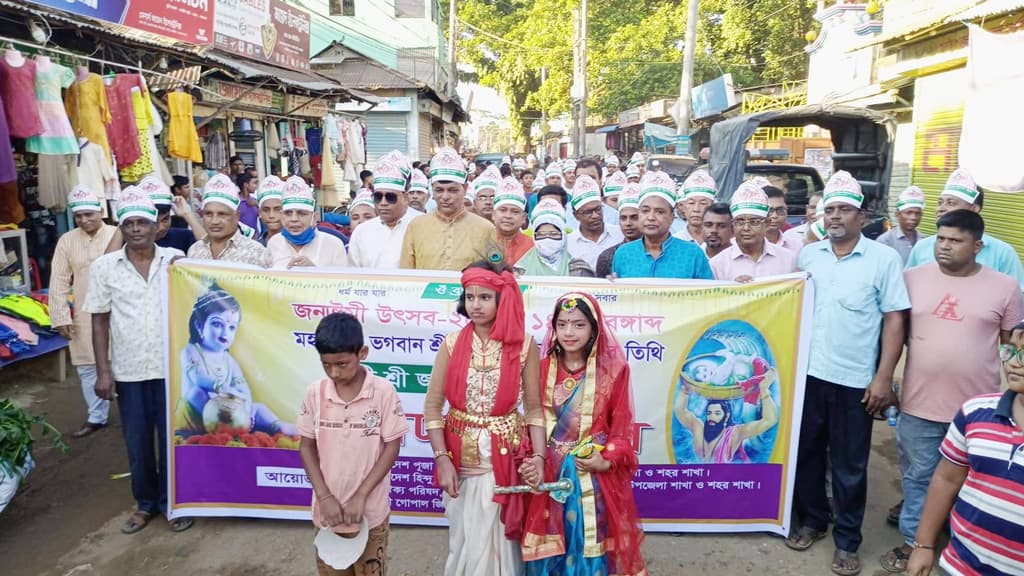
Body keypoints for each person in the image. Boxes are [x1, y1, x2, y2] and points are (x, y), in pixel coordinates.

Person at [879, 209, 1023, 574]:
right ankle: (915, 543)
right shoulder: (911, 278)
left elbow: (1011, 346)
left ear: (977, 246)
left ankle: (962, 542)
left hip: (979, 415)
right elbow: (893, 333)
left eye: (955, 240)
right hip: (919, 404)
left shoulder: (1005, 287)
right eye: (941, 238)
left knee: (973, 482)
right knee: (918, 477)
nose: (944, 246)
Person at [787, 170, 910, 576]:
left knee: (850, 464)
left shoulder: (884, 259)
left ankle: (848, 541)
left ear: (861, 216)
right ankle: (813, 522)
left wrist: (882, 377)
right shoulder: (809, 256)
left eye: (843, 209)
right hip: (809, 375)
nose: (835, 216)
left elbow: (895, 320)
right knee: (805, 456)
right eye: (830, 210)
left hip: (855, 381)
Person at [424, 261, 546, 576]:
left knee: (500, 541)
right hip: (459, 454)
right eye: (470, 297)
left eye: (485, 297)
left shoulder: (524, 346)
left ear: (501, 300)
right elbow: (433, 406)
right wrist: (442, 459)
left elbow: (534, 408)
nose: (475, 305)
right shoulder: (451, 344)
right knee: (463, 539)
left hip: (504, 456)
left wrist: (540, 457)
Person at [83, 188, 193, 534]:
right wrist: (103, 371)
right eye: (128, 223)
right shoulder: (104, 268)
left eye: (141, 222)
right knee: (137, 441)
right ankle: (144, 504)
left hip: (170, 369)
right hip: (129, 370)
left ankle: (171, 504)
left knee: (172, 440)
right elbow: (99, 320)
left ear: (156, 225)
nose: (135, 229)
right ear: (121, 227)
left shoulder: (176, 261)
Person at [519, 292, 647, 576]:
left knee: (588, 545)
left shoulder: (613, 371)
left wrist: (606, 460)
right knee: (549, 548)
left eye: (578, 325)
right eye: (562, 324)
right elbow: (531, 420)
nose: (569, 332)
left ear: (594, 329)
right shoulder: (540, 369)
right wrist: (531, 459)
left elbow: (621, 432)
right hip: (548, 471)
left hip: (590, 475)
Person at [905, 320, 1024, 576]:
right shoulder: (976, 412)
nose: (1015, 362)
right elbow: (946, 480)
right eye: (1011, 351)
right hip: (960, 565)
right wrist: (923, 545)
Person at [296, 312, 407, 576]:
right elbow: (306, 446)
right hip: (328, 514)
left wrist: (360, 496)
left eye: (342, 364)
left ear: (363, 353)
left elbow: (392, 446)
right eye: (326, 365)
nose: (334, 372)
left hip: (370, 512)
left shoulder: (382, 392)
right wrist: (324, 497)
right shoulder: (315, 393)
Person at [49, 186, 121, 438]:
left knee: (122, 361)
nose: (84, 220)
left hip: (119, 310)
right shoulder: (67, 240)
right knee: (87, 367)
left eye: (89, 214)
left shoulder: (117, 233)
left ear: (101, 211)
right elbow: (58, 279)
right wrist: (60, 316)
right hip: (84, 311)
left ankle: (132, 412)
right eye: (79, 216)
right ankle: (96, 416)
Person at [175, 285, 295, 436]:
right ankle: (227, 428)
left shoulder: (229, 360)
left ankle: (278, 427)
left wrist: (246, 404)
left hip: (228, 408)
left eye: (232, 327)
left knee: (259, 408)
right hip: (200, 412)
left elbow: (242, 387)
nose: (225, 332)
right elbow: (197, 378)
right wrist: (220, 387)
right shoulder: (191, 350)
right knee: (196, 393)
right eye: (217, 324)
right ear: (199, 326)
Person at [905, 168, 1024, 292]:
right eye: (940, 202)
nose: (941, 208)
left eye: (951, 203)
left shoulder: (1003, 253)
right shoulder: (922, 247)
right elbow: (907, 290)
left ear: (974, 209)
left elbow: (1017, 299)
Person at [401, 147, 497, 271]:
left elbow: (496, 271)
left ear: (465, 188)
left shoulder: (486, 229)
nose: (445, 197)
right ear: (432, 190)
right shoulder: (415, 226)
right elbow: (406, 274)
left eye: (452, 190)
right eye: (439, 190)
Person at [612, 171, 713, 280]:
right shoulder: (623, 253)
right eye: (645, 211)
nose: (651, 217)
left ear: (671, 217)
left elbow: (708, 295)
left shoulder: (693, 254)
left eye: (659, 212)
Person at [673, 367, 778, 463]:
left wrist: (764, 390)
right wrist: (684, 392)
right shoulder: (699, 428)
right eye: (709, 413)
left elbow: (769, 420)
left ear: (727, 415)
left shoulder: (734, 434)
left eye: (717, 413)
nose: (711, 418)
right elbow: (680, 411)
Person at [710, 183, 797, 282]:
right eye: (740, 222)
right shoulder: (717, 264)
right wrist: (732, 289)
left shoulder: (788, 259)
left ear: (767, 223)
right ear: (733, 225)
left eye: (754, 222)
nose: (746, 228)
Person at [349, 161, 422, 269]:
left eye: (390, 197)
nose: (383, 203)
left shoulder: (420, 227)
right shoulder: (362, 231)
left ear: (405, 198)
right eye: (378, 197)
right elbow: (352, 273)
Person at [186, 174, 271, 267]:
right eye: (208, 214)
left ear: (237, 216)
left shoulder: (256, 252)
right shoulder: (195, 251)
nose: (214, 221)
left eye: (222, 214)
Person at [267, 177, 349, 269]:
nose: (294, 219)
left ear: (314, 218)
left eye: (301, 213)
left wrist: (313, 271)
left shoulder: (334, 245)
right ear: (282, 216)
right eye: (288, 213)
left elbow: (342, 281)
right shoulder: (274, 243)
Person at [514, 198, 587, 277]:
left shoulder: (579, 270)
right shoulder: (520, 270)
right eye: (541, 235)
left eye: (554, 234)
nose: (547, 240)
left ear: (563, 236)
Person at [566, 175, 623, 271]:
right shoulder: (568, 244)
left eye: (598, 209)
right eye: (588, 212)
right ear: (576, 215)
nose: (595, 215)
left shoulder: (620, 235)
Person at [594, 183, 642, 278]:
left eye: (634, 217)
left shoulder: (659, 253)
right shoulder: (607, 257)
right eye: (623, 218)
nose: (628, 223)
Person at [872, 187, 924, 266]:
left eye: (918, 213)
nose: (913, 217)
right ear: (897, 215)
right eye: (909, 213)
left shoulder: (923, 240)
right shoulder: (885, 241)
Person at [144, 176, 196, 254]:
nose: (160, 228)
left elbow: (209, 251)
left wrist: (187, 214)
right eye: (153, 221)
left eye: (165, 219)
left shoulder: (184, 236)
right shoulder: (130, 241)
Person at [492, 177, 533, 264]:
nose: (508, 216)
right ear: (493, 215)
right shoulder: (481, 242)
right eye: (503, 210)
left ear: (523, 218)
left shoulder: (533, 246)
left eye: (515, 212)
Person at [673, 169, 716, 241]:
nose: (696, 209)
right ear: (684, 207)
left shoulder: (723, 242)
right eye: (691, 203)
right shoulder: (674, 242)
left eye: (703, 203)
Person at [763, 186, 801, 254]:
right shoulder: (745, 246)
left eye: (780, 210)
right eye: (769, 211)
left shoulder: (797, 247)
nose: (774, 216)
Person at [256, 175, 285, 245]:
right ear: (260, 213)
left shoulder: (298, 246)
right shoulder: (255, 248)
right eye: (266, 210)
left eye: (277, 209)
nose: (271, 215)